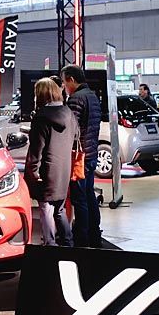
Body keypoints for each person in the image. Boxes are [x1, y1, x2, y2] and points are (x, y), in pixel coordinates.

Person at [25, 78, 78, 247]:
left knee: (46, 209)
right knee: (59, 209)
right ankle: (68, 242)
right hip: (64, 170)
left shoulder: (40, 118)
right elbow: (76, 137)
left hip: (46, 170)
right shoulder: (69, 113)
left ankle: (50, 245)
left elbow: (36, 149)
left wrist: (33, 171)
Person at [61, 64, 102, 248]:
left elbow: (70, 129)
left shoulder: (76, 99)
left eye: (64, 82)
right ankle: (94, 233)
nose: (64, 87)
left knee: (80, 198)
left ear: (71, 79)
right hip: (91, 153)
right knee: (89, 194)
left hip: (79, 157)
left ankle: (81, 238)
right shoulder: (92, 96)